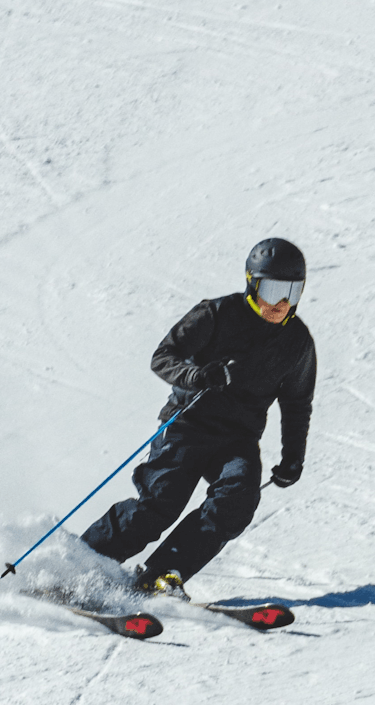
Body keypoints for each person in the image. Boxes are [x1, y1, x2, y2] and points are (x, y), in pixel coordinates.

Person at [81, 238, 316, 596]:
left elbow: (297, 402)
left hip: (238, 438)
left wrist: (293, 457)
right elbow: (164, 355)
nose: (280, 303)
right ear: (253, 285)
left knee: (237, 499)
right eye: (271, 290)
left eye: (291, 292)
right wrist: (196, 375)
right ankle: (81, 562)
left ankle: (161, 575)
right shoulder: (217, 314)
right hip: (188, 425)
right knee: (161, 504)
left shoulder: (297, 342)